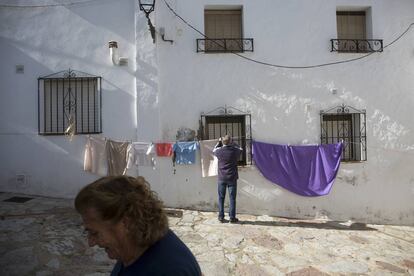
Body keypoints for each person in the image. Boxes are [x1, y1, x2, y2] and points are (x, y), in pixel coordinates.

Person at [74, 175, 202, 276]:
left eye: (95, 233)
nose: (91, 242)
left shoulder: (169, 270)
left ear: (126, 223)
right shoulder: (133, 247)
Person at [213, 135, 242, 223]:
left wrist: (218, 142)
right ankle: (232, 218)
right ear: (230, 142)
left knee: (221, 198)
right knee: (232, 198)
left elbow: (214, 149)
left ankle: (221, 217)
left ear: (222, 142)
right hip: (232, 178)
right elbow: (241, 148)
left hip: (222, 178)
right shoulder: (235, 151)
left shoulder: (219, 151)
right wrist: (233, 143)